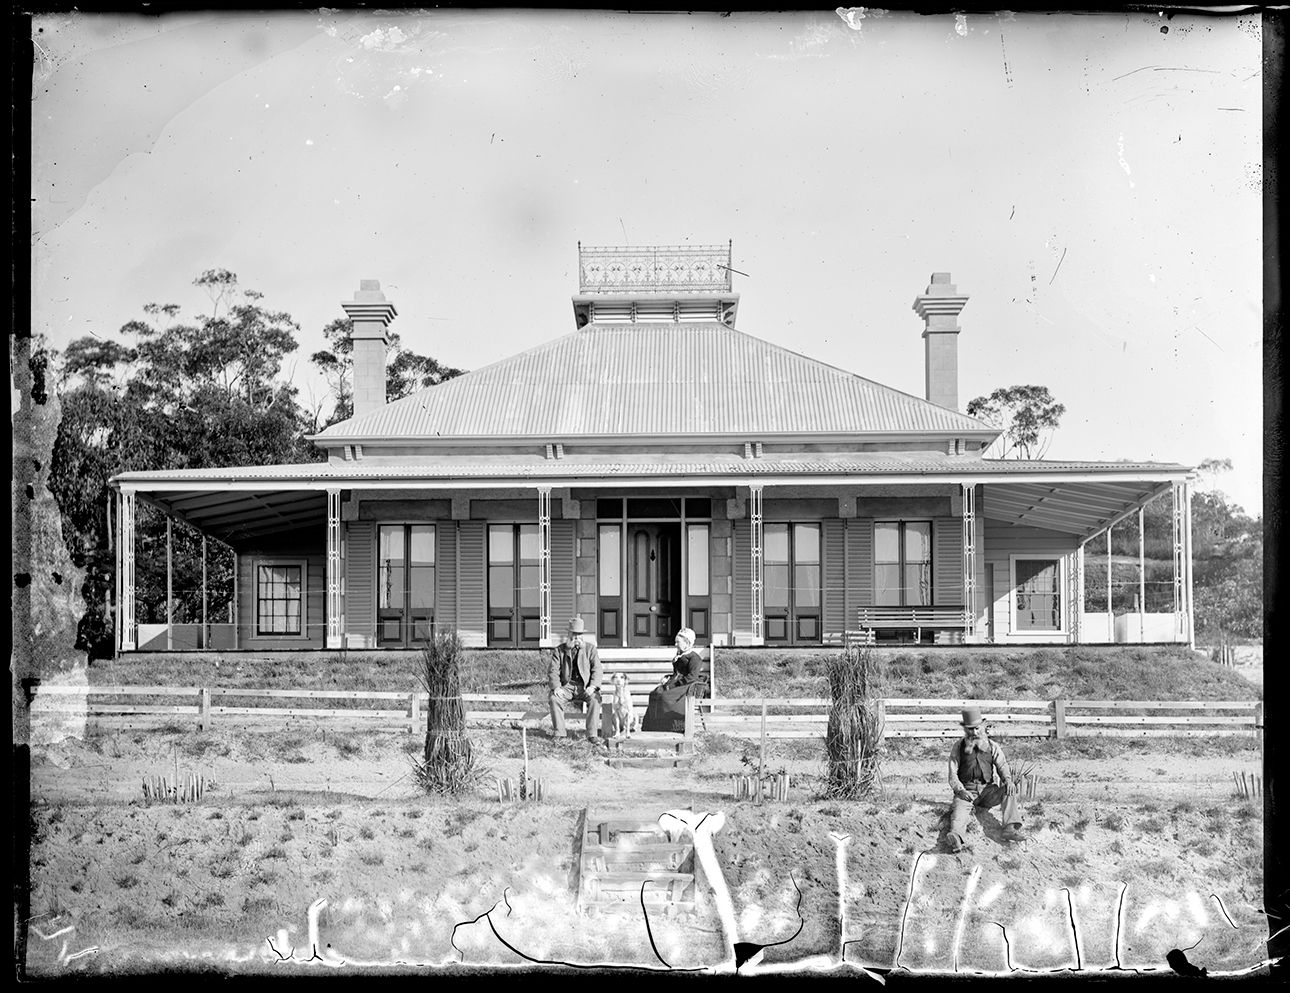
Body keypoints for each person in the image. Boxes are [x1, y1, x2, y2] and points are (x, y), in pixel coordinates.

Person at [945, 705, 1025, 851]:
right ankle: (956, 838)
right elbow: (952, 774)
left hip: (988, 791)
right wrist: (960, 790)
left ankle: (1009, 828)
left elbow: (1002, 765)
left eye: (977, 728)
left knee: (1010, 789)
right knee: (959, 811)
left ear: (982, 727)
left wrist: (1007, 780)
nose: (974, 732)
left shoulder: (992, 746)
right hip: (967, 793)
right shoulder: (958, 747)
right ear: (965, 729)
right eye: (970, 729)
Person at [640, 627, 710, 734]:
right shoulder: (679, 656)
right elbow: (676, 673)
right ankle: (655, 726)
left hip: (686, 686)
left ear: (687, 643)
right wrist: (667, 678)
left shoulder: (695, 658)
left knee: (665, 696)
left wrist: (674, 685)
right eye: (676, 642)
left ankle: (674, 725)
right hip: (676, 683)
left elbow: (692, 676)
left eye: (678, 642)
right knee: (654, 694)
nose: (676, 644)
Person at [548, 616, 603, 742]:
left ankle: (592, 735)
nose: (576, 638)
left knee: (595, 700)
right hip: (566, 687)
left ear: (582, 635)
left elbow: (597, 670)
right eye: (573, 634)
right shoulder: (560, 650)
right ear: (569, 634)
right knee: (554, 699)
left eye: (579, 634)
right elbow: (553, 670)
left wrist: (593, 686)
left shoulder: (590, 649)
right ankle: (560, 734)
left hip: (585, 687)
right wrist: (556, 687)